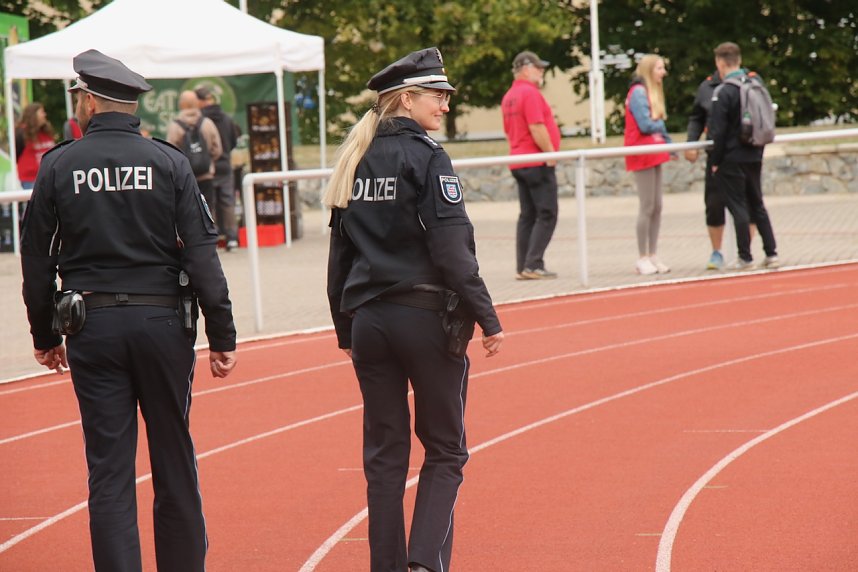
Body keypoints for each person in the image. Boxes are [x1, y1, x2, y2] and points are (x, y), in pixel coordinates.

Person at [20, 49, 237, 571]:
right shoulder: (168, 161)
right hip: (163, 325)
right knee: (173, 459)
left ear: (90, 101)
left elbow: (34, 260)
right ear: (130, 105)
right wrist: (223, 334)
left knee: (110, 470)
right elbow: (203, 256)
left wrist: (45, 332)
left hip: (91, 327)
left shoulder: (59, 164)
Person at [325, 47, 504, 572]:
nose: (446, 105)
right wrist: (488, 318)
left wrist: (345, 329)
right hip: (424, 319)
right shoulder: (428, 158)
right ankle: (424, 563)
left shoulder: (355, 158)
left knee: (384, 457)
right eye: (438, 96)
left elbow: (340, 257)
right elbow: (453, 252)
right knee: (446, 450)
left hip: (369, 324)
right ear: (407, 98)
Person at [708, 42, 779, 270]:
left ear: (720, 62)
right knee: (757, 202)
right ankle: (771, 252)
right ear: (738, 60)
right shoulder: (754, 83)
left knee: (738, 205)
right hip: (755, 151)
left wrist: (715, 161)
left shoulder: (725, 91)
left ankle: (745, 256)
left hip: (732, 155)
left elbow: (717, 132)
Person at [685, 68, 757, 270]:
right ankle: (717, 252)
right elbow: (697, 117)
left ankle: (745, 251)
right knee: (714, 204)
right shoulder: (707, 86)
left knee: (748, 204)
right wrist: (692, 142)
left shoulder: (751, 82)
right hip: (717, 156)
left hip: (745, 154)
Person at [501, 50, 561, 280]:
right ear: (526, 69)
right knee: (547, 213)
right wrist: (550, 154)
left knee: (527, 215)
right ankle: (533, 264)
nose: (542, 72)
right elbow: (536, 126)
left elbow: (509, 130)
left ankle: (523, 265)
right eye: (539, 67)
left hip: (518, 160)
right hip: (536, 161)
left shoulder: (509, 96)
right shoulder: (530, 93)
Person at [624, 54, 673, 275]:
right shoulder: (638, 93)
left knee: (657, 205)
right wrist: (660, 123)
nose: (663, 73)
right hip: (642, 151)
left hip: (654, 150)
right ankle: (642, 256)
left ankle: (652, 254)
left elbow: (657, 125)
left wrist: (669, 144)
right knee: (647, 205)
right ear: (649, 70)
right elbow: (646, 123)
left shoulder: (650, 93)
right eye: (659, 68)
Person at [196, 85, 241, 251]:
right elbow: (234, 140)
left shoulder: (201, 121)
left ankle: (212, 238)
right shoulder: (226, 119)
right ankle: (232, 239)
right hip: (225, 165)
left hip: (207, 166)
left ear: (201, 101)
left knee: (209, 203)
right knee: (228, 202)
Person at [166, 90, 222, 217]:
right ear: (197, 103)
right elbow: (217, 149)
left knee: (187, 213)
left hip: (184, 178)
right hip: (206, 175)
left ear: (181, 105)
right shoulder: (207, 123)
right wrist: (207, 161)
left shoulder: (175, 126)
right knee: (208, 212)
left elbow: (170, 153)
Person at [15, 102, 56, 189]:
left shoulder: (46, 132)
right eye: (42, 112)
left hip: (50, 178)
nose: (45, 115)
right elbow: (16, 154)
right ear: (33, 114)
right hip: (31, 180)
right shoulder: (22, 133)